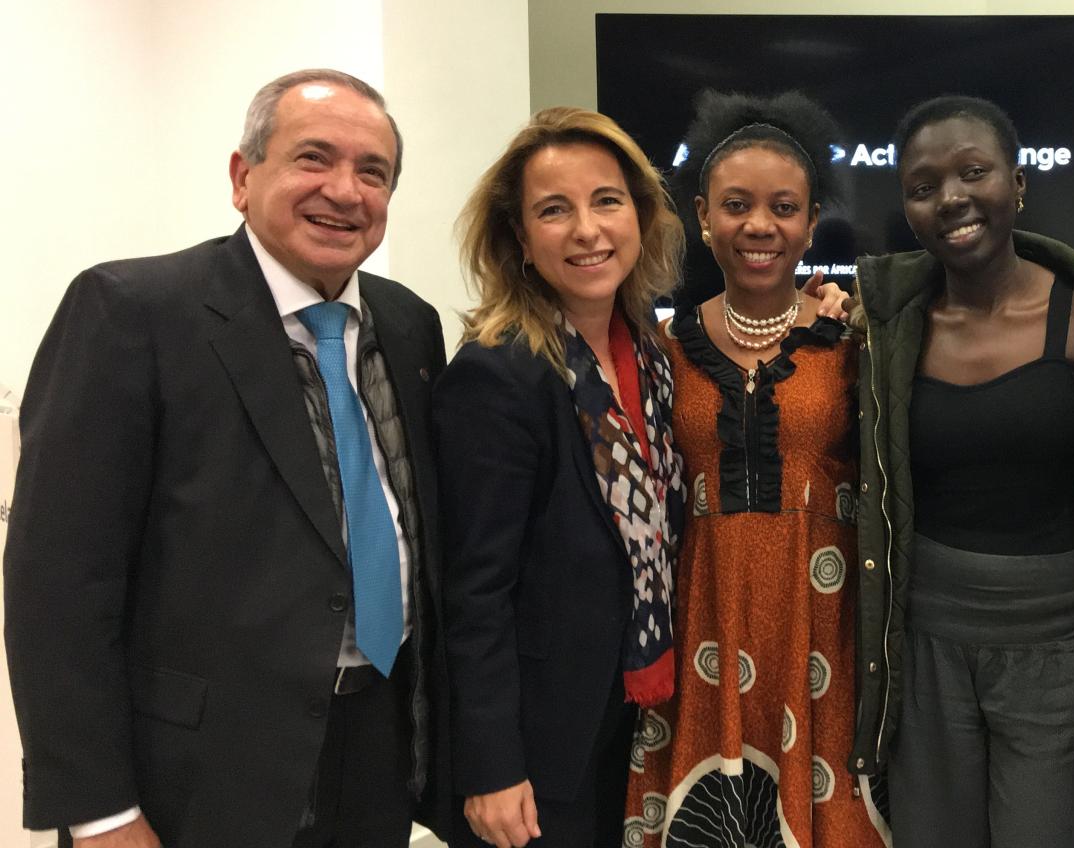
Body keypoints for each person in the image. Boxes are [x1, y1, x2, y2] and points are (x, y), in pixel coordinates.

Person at [4, 69, 457, 847]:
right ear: (244, 177)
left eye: (372, 171)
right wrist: (100, 810)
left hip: (377, 748)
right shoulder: (130, 314)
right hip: (201, 775)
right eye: (314, 158)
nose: (345, 191)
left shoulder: (408, 324)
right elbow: (58, 586)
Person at [849, 95, 1074, 848]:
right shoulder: (885, 327)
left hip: (1057, 649)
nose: (952, 199)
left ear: (1019, 184)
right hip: (925, 643)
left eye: (974, 172)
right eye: (924, 185)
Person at [623, 91, 886, 848]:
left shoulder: (854, 341)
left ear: (810, 221)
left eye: (784, 207)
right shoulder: (661, 351)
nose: (760, 226)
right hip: (700, 622)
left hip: (825, 630)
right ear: (703, 215)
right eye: (736, 205)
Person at [432, 107, 686, 848]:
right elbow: (473, 591)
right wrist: (490, 767)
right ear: (519, 239)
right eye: (554, 210)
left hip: (634, 715)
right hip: (542, 746)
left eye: (607, 200)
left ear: (639, 216)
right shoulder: (498, 372)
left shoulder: (647, 353)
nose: (587, 230)